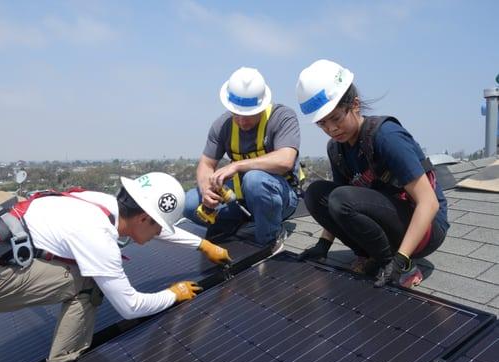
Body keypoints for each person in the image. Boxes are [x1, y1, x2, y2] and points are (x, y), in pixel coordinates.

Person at [0, 172, 231, 362]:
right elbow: (131, 307)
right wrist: (173, 294)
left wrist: (202, 245)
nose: (158, 234)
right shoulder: (98, 237)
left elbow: (152, 226)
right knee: (89, 281)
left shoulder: (100, 202)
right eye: (159, 226)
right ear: (142, 219)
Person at [295, 59, 449, 288]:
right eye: (322, 124)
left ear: (355, 104)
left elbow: (428, 203)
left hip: (425, 228)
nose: (331, 129)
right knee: (315, 194)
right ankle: (374, 256)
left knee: (341, 199)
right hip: (387, 218)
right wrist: (323, 245)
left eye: (336, 118)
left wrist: (399, 260)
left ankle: (399, 265)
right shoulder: (336, 149)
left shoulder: (387, 137)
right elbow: (335, 204)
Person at [184, 67, 301, 250]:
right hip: (240, 198)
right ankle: (232, 223)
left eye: (249, 115)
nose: (242, 121)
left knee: (255, 179)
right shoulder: (222, 125)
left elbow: (285, 160)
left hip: (279, 197)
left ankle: (269, 240)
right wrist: (207, 190)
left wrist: (238, 165)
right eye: (236, 114)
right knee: (190, 202)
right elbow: (206, 165)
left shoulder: (282, 117)